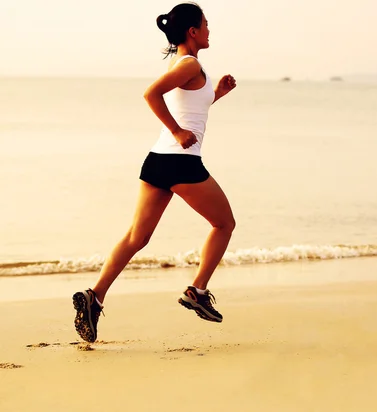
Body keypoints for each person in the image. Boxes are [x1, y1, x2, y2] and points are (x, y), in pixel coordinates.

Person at [72, 2, 237, 343]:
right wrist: (178, 133)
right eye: (205, 24)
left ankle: (94, 296)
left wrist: (217, 94)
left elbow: (190, 110)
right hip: (180, 161)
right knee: (224, 224)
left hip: (159, 161)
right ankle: (198, 291)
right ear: (192, 31)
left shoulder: (188, 65)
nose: (209, 30)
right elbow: (151, 94)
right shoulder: (189, 63)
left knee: (137, 237)